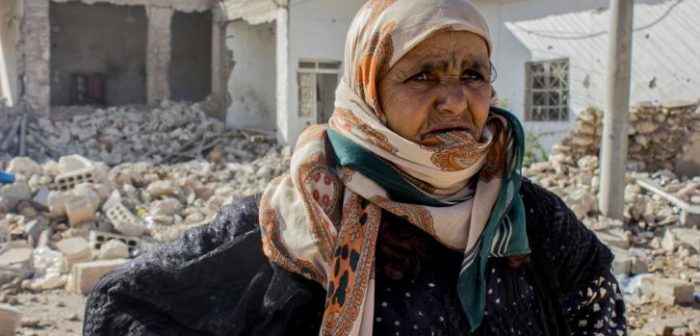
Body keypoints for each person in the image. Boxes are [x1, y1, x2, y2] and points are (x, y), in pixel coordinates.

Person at [84, 0, 626, 335]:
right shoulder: (303, 215)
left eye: (473, 73)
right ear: (369, 91)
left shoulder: (526, 213)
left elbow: (595, 300)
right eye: (423, 76)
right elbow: (125, 305)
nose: (456, 100)